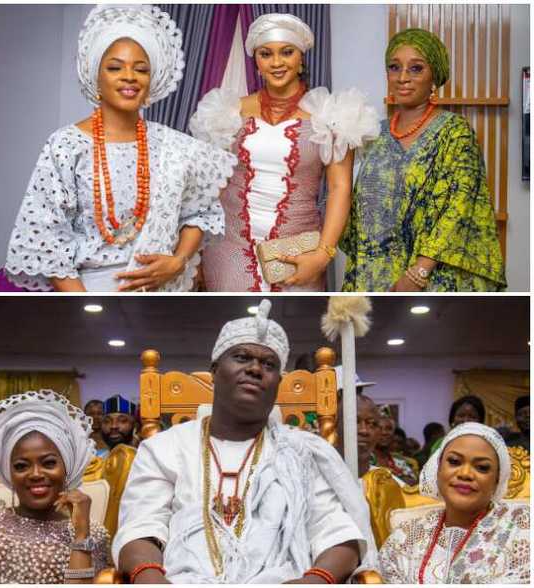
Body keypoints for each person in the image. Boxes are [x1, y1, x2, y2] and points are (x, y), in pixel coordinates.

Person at [114, 299, 375, 583]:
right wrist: (150, 577)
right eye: (241, 357)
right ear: (214, 371)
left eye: (268, 364)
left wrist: (314, 580)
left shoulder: (303, 452)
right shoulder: (164, 448)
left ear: (278, 382)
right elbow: (140, 528)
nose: (255, 369)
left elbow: (338, 532)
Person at [5, 5, 235, 292]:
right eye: (115, 67)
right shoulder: (66, 145)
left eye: (141, 69)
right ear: (95, 76)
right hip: (91, 289)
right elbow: (48, 240)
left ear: (151, 81)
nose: (129, 76)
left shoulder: (174, 145)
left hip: (163, 292)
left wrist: (179, 260)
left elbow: (201, 211)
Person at [189, 13, 378, 292]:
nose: (277, 62)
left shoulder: (332, 114)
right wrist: (195, 252)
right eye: (266, 54)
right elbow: (211, 187)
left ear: (301, 58)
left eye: (286, 52)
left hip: (300, 252)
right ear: (257, 61)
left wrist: (322, 255)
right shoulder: (227, 112)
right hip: (230, 249)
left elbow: (340, 188)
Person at [342, 28, 505, 292]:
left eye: (416, 69)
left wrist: (418, 273)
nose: (403, 77)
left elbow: (458, 208)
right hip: (372, 276)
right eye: (394, 67)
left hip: (429, 279)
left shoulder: (454, 131)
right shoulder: (373, 133)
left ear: (434, 78)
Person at [0, 390, 111, 583]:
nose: (36, 474)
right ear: (9, 474)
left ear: (67, 468)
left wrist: (81, 534)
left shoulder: (92, 534)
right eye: (21, 466)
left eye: (48, 463)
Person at [378, 423, 529, 583]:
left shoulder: (521, 528)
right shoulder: (406, 537)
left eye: (482, 467)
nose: (465, 474)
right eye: (455, 461)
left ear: (497, 479)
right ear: (438, 469)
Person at [374, 411, 418, 485]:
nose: (384, 432)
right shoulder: (365, 459)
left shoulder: (399, 460)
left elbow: (412, 482)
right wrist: (398, 478)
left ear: (393, 433)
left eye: (388, 429)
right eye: (379, 428)